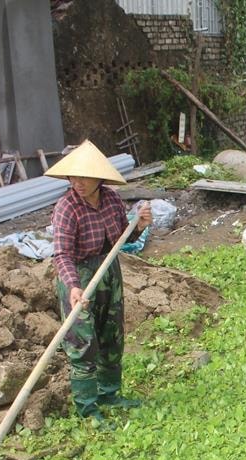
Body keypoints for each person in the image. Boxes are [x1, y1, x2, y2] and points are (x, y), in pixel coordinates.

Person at [45, 140, 152, 424]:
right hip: (78, 275)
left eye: (83, 176)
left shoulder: (111, 200)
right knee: (82, 342)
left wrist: (138, 226)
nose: (77, 182)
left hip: (108, 272)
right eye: (72, 176)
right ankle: (87, 407)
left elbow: (121, 241)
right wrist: (73, 286)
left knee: (111, 336)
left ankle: (109, 394)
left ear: (99, 178)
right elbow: (61, 254)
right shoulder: (67, 208)